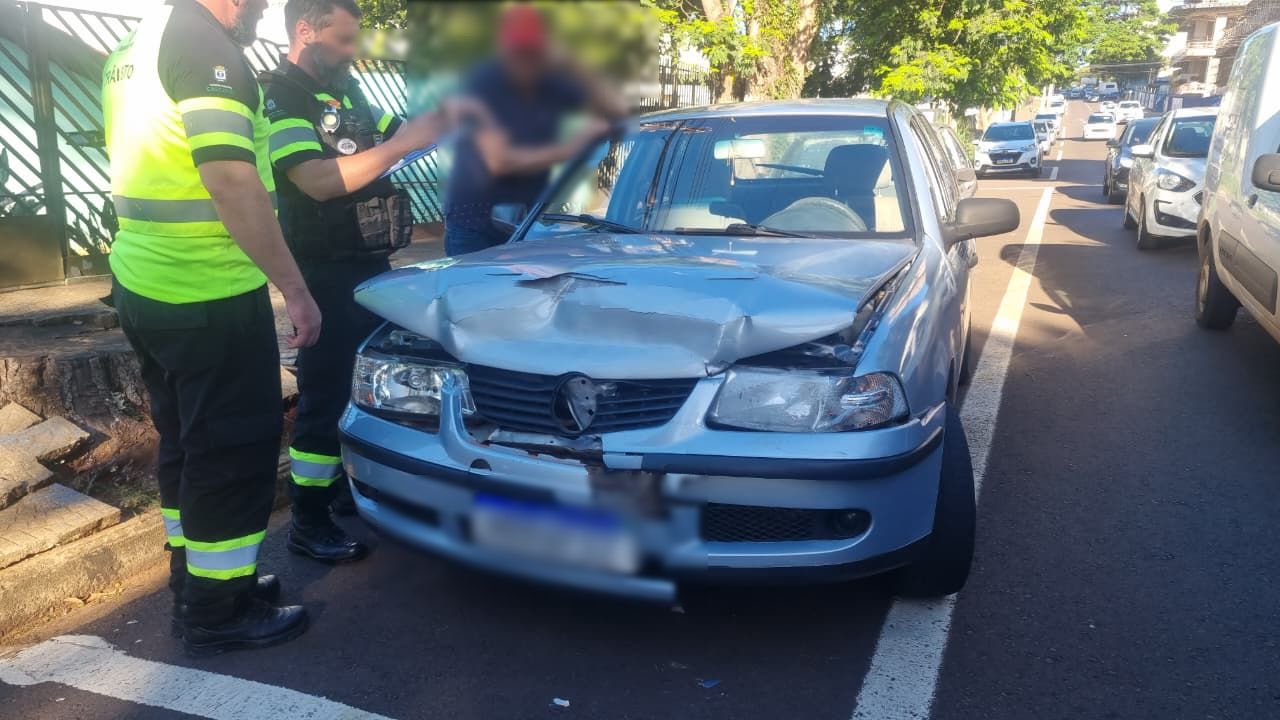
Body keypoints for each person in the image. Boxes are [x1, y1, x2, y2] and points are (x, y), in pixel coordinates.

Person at [102, 0, 318, 656]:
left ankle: (200, 579)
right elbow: (229, 180)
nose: (265, 7)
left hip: (146, 281)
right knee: (230, 449)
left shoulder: (136, 46)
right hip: (206, 290)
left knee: (187, 443)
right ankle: (217, 610)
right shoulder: (206, 49)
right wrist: (295, 289)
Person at [262, 0, 449, 562]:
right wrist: (400, 146)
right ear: (305, 31)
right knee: (324, 395)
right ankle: (307, 519)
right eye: (343, 40)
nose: (353, 51)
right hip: (323, 271)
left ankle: (345, 488)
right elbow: (317, 180)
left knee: (361, 387)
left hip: (367, 264)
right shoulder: (282, 96)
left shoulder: (345, 92)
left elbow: (403, 132)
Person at [442, 3, 627, 256]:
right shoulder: (484, 86)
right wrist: (570, 148)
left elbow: (613, 108)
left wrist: (575, 66)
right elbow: (499, 162)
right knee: (475, 282)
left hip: (523, 224)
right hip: (474, 226)